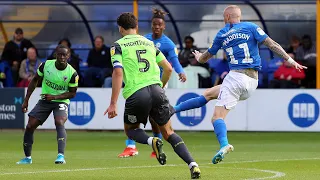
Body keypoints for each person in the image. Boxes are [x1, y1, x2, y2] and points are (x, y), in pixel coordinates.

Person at [173, 5, 306, 164]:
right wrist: (290, 60)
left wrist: (200, 56)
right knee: (209, 94)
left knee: (216, 118)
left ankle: (224, 145)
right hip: (252, 82)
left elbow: (206, 57)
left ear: (228, 17)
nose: (224, 20)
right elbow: (272, 45)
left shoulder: (222, 33)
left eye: (224, 18)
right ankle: (173, 109)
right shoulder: (251, 27)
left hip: (236, 77)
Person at [104, 12, 200, 179]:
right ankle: (193, 164)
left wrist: (113, 103)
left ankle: (151, 141)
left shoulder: (117, 46)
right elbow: (169, 68)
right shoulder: (150, 44)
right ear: (136, 27)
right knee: (169, 132)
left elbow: (118, 72)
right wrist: (160, 87)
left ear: (120, 28)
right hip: (157, 91)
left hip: (137, 93)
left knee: (131, 130)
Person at [119, 8, 187, 158]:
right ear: (151, 25)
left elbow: (173, 61)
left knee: (153, 117)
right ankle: (131, 146)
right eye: (154, 24)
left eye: (159, 25)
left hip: (160, 81)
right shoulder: (145, 39)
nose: (156, 27)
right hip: (141, 81)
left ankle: (155, 144)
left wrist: (180, 71)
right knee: (138, 112)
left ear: (164, 27)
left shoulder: (168, 44)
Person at [17, 44, 79, 165]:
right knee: (30, 126)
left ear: (68, 56)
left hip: (61, 101)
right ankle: (27, 158)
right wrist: (26, 100)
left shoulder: (72, 73)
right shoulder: (46, 65)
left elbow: (72, 94)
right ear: (56, 54)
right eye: (60, 54)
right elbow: (35, 80)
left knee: (59, 122)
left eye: (64, 55)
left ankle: (61, 156)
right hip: (45, 100)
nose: (62, 57)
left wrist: (55, 97)